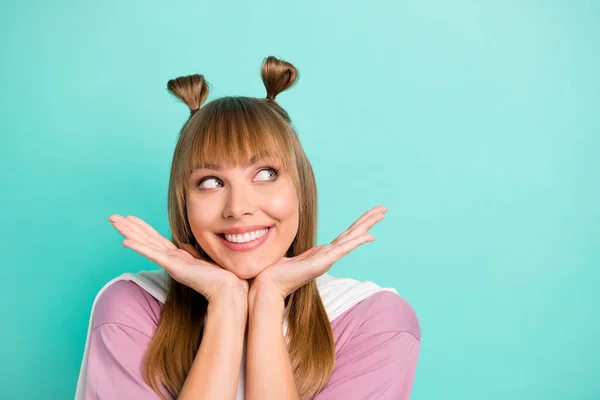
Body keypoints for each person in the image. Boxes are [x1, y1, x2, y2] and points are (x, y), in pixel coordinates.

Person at [75, 56, 421, 400]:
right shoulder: (132, 307)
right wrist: (226, 303)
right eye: (211, 182)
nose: (238, 208)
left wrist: (268, 301)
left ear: (301, 188)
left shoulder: (374, 321)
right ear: (183, 202)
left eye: (266, 174)